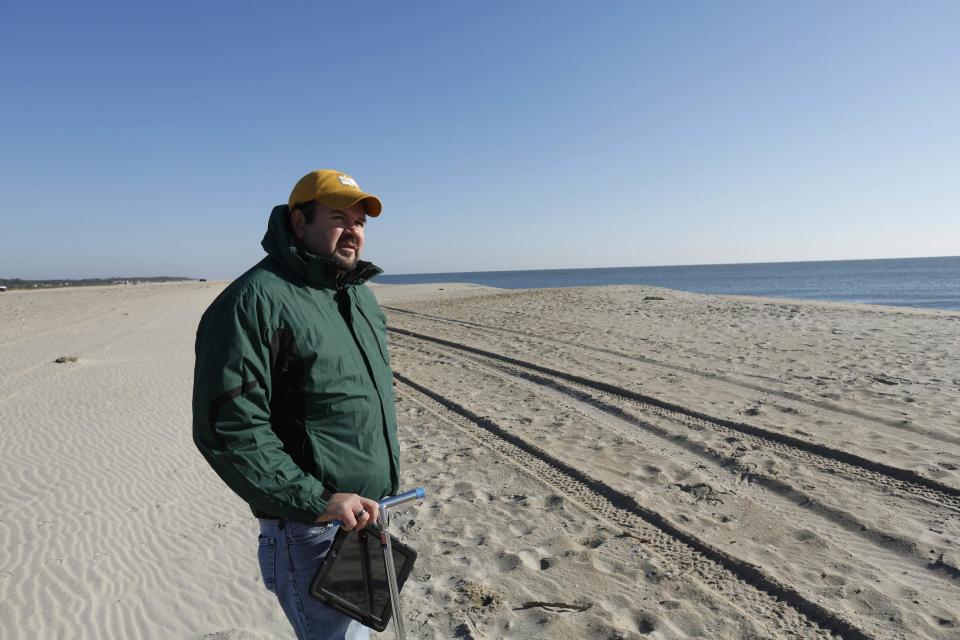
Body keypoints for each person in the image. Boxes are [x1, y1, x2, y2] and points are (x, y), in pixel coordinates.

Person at [192, 170, 400, 640]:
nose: (354, 230)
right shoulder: (252, 302)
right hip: (310, 529)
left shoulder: (356, 295)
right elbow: (229, 429)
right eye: (338, 218)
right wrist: (319, 500)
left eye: (360, 221)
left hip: (365, 521)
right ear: (299, 221)